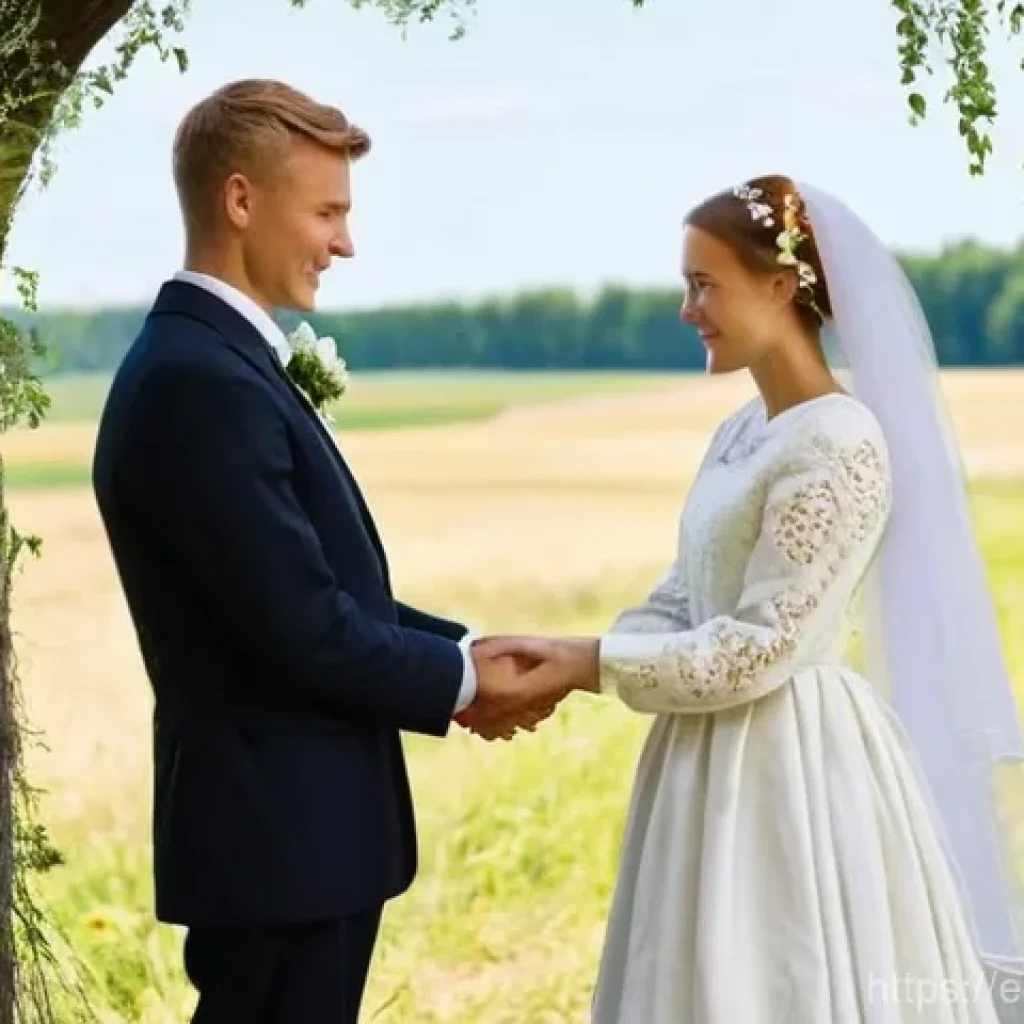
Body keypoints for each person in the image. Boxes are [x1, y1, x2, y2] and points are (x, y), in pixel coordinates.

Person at [482, 175, 1024, 1022]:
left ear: (779, 286)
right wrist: (559, 659)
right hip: (703, 755)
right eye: (686, 285)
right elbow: (684, 596)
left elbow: (761, 646)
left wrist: (587, 665)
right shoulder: (743, 430)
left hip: (789, 760)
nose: (687, 308)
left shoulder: (840, 442)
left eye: (704, 285)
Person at [90, 79, 558, 1024]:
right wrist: (465, 684)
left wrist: (465, 653)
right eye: (328, 212)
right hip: (276, 850)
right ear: (239, 200)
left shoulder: (215, 363)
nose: (344, 242)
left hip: (298, 847)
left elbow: (316, 586)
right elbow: (301, 629)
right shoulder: (197, 382)